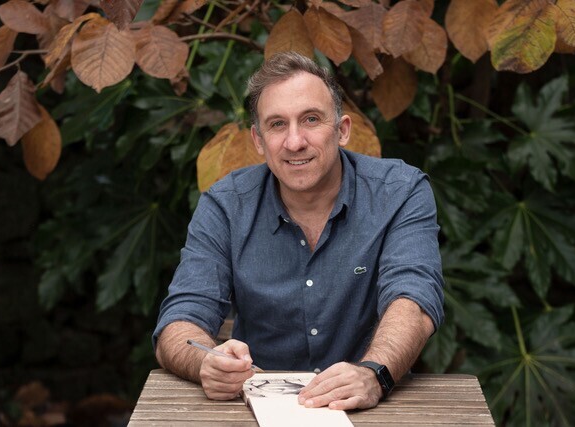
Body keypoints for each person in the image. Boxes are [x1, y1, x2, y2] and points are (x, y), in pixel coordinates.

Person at [153, 51, 444, 411]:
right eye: (277, 124)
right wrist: (206, 362)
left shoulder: (400, 192)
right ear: (258, 141)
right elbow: (179, 321)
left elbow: (414, 298)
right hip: (256, 409)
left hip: (370, 407)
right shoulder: (226, 205)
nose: (294, 142)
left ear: (342, 130)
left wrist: (374, 373)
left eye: (311, 119)